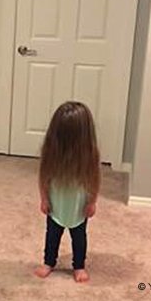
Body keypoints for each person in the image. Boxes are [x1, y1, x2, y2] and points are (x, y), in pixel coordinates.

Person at [33, 101, 100, 283]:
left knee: (79, 238)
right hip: (56, 206)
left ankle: (79, 265)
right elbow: (43, 176)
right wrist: (44, 198)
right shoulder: (51, 152)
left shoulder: (90, 155)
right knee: (52, 235)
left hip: (79, 207)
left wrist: (92, 201)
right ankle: (49, 262)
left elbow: (95, 180)